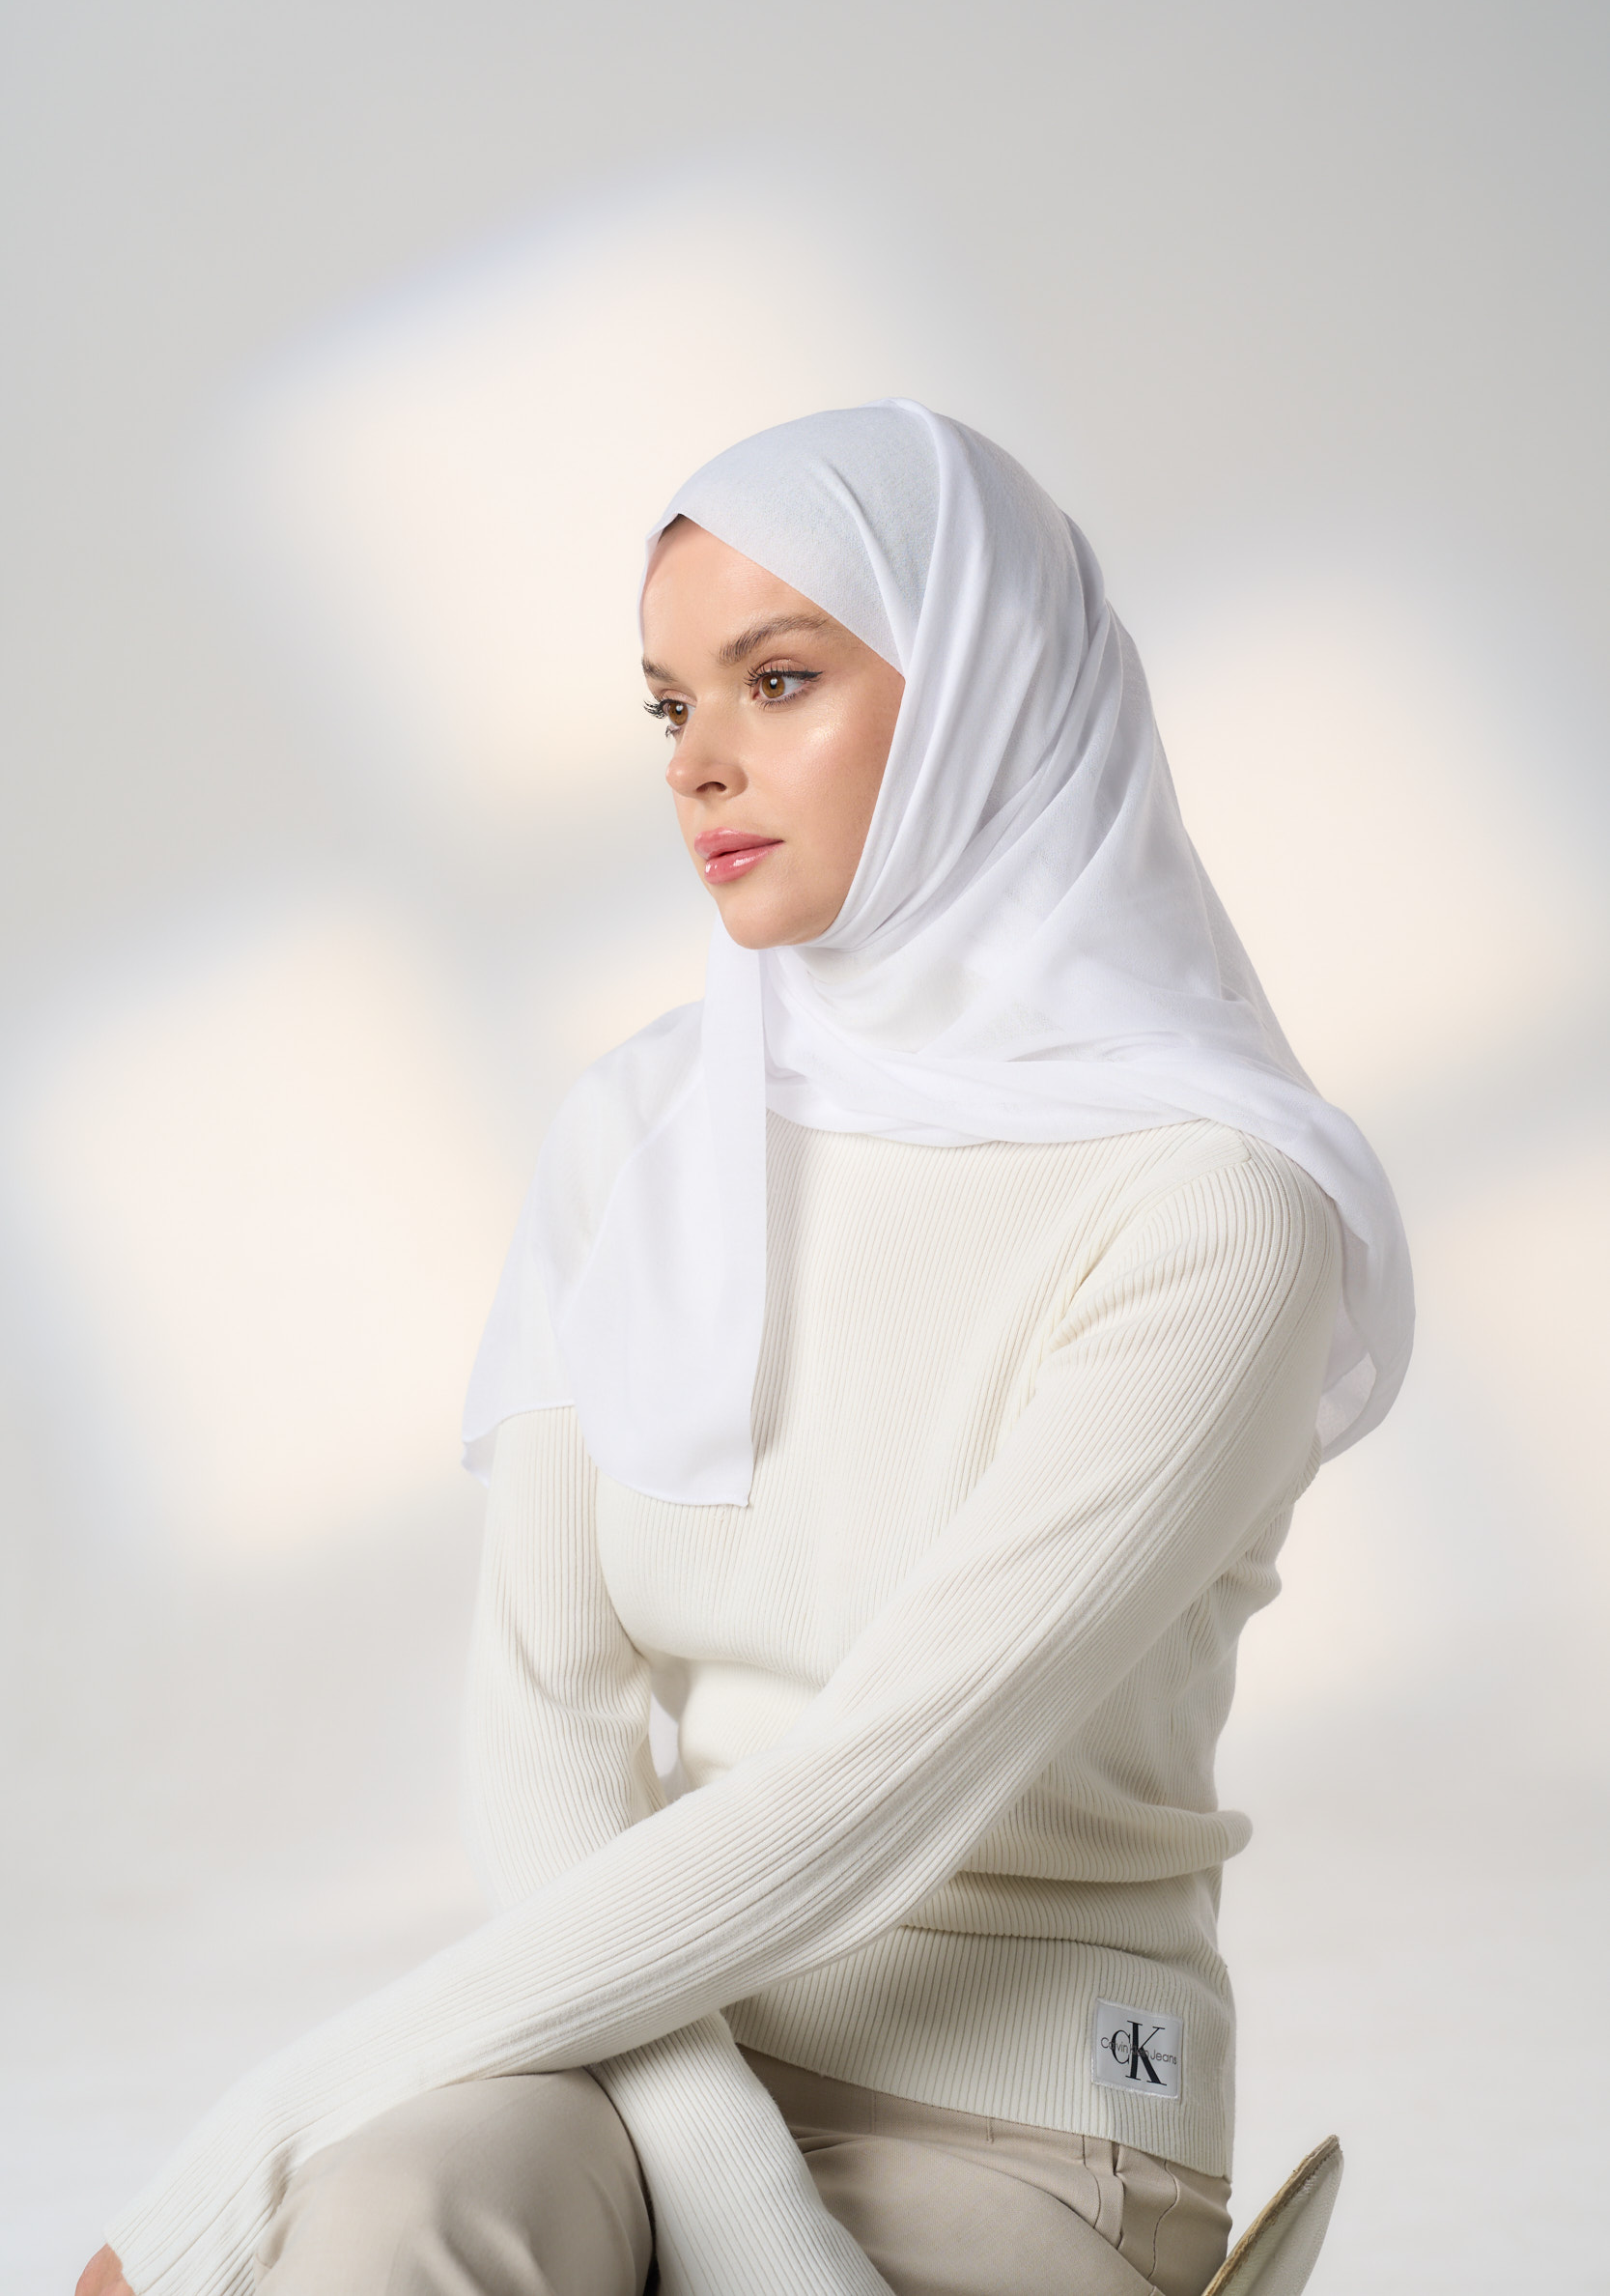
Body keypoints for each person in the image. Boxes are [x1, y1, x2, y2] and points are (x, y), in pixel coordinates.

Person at [78, 401, 1411, 2296]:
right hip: (641, 2039)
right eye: (667, 703)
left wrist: (236, 2159)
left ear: (986, 694)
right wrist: (749, 2213)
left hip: (1035, 2119)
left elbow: (881, 1784)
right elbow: (544, 1714)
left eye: (778, 680)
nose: (696, 761)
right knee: (385, 2219)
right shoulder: (641, 1127)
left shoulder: (1216, 1210)